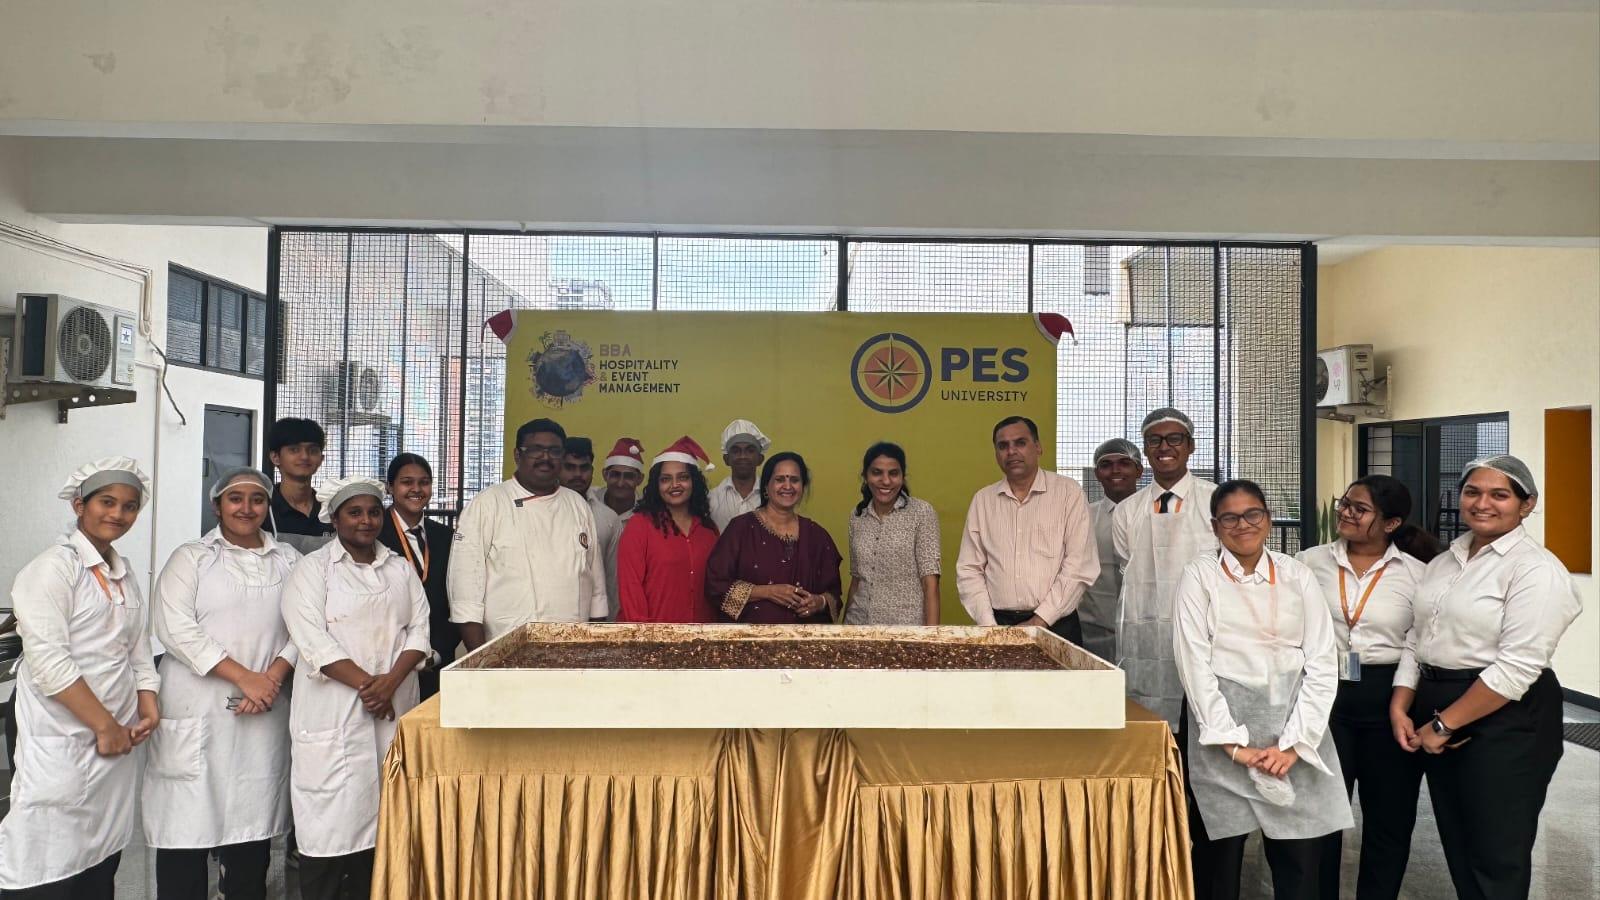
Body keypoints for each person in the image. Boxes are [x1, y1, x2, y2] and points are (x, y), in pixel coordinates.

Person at [1390, 455, 1582, 900]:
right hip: (1436, 701)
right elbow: (1417, 638)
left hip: (1505, 714)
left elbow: (1517, 667)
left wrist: (1443, 725)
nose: (1482, 503)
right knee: (1459, 843)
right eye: (1472, 492)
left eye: (1500, 495)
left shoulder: (1535, 569)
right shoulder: (1446, 561)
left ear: (1526, 504)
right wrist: (1401, 705)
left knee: (1496, 852)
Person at [1174, 479, 1353, 900]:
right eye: (1230, 518)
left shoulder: (1296, 575)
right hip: (1222, 731)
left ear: (1268, 519)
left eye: (1252, 514)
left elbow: (1322, 662)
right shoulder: (1200, 576)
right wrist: (1232, 744)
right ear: (1215, 526)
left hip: (1292, 728)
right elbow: (1193, 663)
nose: (1243, 525)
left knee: (1299, 858)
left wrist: (1294, 744)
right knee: (1218, 858)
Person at [0, 458, 160, 898]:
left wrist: (148, 704)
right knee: (43, 851)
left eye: (129, 506)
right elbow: (50, 662)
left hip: (116, 738)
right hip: (63, 732)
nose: (118, 514)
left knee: (101, 853)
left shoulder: (123, 573)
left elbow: (137, 650)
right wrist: (105, 726)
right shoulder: (51, 569)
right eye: (106, 502)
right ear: (78, 505)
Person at [142, 467, 299, 900]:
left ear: (267, 506)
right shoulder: (191, 557)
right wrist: (245, 678)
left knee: (251, 835)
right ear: (217, 506)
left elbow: (307, 626)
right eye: (235, 499)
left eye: (257, 499)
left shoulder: (289, 560)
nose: (246, 508)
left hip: (263, 710)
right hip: (196, 707)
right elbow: (174, 628)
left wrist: (271, 679)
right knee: (185, 831)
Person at [280, 477, 431, 900]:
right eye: (355, 512)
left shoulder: (399, 568)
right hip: (334, 713)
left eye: (373, 512)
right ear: (335, 518)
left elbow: (419, 630)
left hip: (392, 707)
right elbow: (312, 640)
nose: (366, 520)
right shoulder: (312, 570)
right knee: (329, 833)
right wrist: (370, 688)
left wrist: (390, 684)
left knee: (384, 831)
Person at [1296, 475, 1437, 900]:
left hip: (1391, 697)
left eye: (1359, 509)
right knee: (1321, 814)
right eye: (1345, 503)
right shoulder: (1308, 562)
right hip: (1324, 695)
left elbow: (1417, 644)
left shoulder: (1417, 575)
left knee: (1389, 819)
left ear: (1391, 523)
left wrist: (1401, 704)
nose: (1345, 513)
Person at [449, 419, 608, 651]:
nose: (545, 457)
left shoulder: (577, 505)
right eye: (535, 450)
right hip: (505, 649)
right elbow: (466, 594)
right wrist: (482, 661)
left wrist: (592, 650)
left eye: (554, 451)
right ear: (517, 455)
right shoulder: (487, 504)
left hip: (572, 649)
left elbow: (597, 589)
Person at [1113, 407, 1219, 726]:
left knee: (1205, 719)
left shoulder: (1215, 501)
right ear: (1145, 450)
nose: (1164, 447)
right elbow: (1127, 568)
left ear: (1191, 445)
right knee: (1150, 725)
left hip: (1206, 630)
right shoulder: (1127, 511)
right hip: (1147, 635)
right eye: (1154, 440)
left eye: (1174, 438)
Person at [955, 416, 1099, 643]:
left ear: (1038, 447)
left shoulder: (1068, 493)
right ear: (996, 454)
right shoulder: (983, 500)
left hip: (1057, 624)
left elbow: (1079, 565)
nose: (1011, 451)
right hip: (997, 626)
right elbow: (969, 569)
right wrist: (989, 626)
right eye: (1003, 446)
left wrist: (1039, 621)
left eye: (1020, 443)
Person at [706, 452, 843, 624]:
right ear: (766, 486)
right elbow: (716, 586)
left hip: (804, 638)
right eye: (779, 479)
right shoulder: (741, 529)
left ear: (802, 487)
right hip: (749, 637)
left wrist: (819, 602)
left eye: (795, 480)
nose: (788, 486)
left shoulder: (817, 536)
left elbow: (833, 594)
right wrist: (768, 592)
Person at [377, 454, 456, 699]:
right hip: (387, 664)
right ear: (390, 487)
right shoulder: (373, 533)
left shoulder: (446, 536)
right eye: (406, 482)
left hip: (436, 661)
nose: (416, 489)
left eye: (424, 482)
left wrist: (436, 653)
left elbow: (456, 597)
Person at [616, 437, 720, 624]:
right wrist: (644, 635)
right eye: (666, 479)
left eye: (683, 477)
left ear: (694, 481)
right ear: (656, 485)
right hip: (651, 636)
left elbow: (716, 587)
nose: (674, 485)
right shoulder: (639, 526)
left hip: (702, 637)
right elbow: (630, 587)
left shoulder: (709, 530)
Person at [844, 442, 941, 626]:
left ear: (903, 477)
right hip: (858, 626)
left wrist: (932, 638)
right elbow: (856, 579)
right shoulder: (857, 516)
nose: (886, 481)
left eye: (893, 473)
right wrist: (844, 630)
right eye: (877, 472)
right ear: (865, 476)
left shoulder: (921, 513)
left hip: (904, 629)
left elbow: (930, 583)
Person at [1083, 437, 1144, 660]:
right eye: (1106, 465)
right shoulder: (1084, 517)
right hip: (1093, 631)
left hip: (1146, 629)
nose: (1115, 470)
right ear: (1097, 473)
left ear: (1139, 470)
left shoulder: (1156, 514)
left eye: (1124, 463)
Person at [560, 437, 623, 620]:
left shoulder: (608, 518)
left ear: (592, 470)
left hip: (594, 619)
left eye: (584, 468)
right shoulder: (541, 511)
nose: (578, 474)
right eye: (570, 467)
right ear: (558, 468)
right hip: (548, 616)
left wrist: (610, 627)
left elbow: (612, 581)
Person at [267, 417, 335, 554]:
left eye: (313, 450)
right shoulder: (263, 509)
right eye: (294, 450)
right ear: (275, 457)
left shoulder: (331, 509)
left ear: (321, 459)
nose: (304, 456)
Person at [709, 419, 770, 532]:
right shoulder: (711, 499)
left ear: (760, 459)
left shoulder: (771, 497)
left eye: (750, 451)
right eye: (736, 451)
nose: (743, 456)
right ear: (726, 459)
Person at [593, 437, 645, 521]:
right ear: (605, 475)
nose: (620, 484)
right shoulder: (589, 501)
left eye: (629, 476)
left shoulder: (648, 512)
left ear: (640, 479)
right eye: (615, 475)